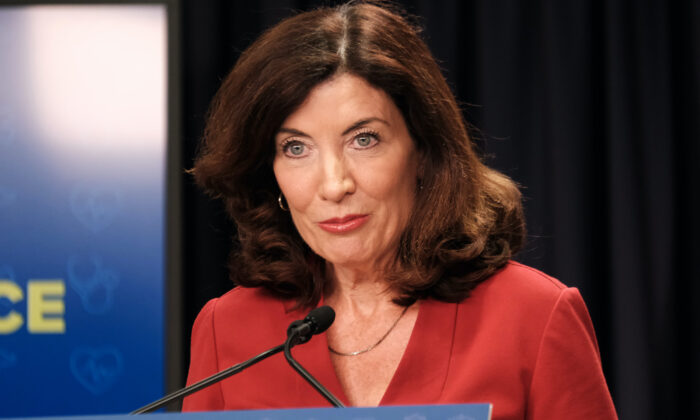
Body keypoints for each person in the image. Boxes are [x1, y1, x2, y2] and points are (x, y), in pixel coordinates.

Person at [182, 2, 617, 419]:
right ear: (268, 171)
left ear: (423, 151)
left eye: (364, 139)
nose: (334, 185)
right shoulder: (227, 329)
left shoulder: (535, 317)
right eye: (296, 148)